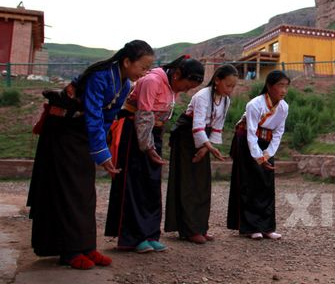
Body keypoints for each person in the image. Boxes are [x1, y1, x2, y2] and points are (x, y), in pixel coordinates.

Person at [27, 40, 155, 270]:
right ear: (127, 61)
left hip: (83, 135)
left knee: (86, 191)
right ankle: (69, 251)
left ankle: (86, 246)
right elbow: (93, 115)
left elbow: (108, 119)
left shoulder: (125, 85)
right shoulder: (101, 75)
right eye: (143, 67)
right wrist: (101, 153)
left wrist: (103, 150)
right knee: (70, 190)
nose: (145, 73)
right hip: (64, 132)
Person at [105, 56, 205, 253]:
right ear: (177, 74)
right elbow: (143, 116)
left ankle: (150, 234)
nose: (185, 90)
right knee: (135, 186)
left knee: (151, 185)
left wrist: (156, 144)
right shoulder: (152, 81)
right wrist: (149, 148)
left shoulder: (171, 85)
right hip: (134, 134)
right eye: (186, 85)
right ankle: (133, 238)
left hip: (152, 135)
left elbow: (161, 117)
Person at [165, 64, 238, 243]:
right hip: (185, 136)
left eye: (233, 86)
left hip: (202, 140)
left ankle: (200, 227)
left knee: (202, 183)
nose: (231, 89)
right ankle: (188, 229)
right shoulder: (202, 96)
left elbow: (217, 127)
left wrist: (206, 148)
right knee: (188, 182)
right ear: (217, 80)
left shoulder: (226, 101)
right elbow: (197, 124)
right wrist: (209, 147)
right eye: (228, 85)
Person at [227, 70, 290, 240]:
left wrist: (268, 155)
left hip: (267, 143)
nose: (284, 90)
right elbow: (251, 133)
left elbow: (279, 132)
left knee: (266, 183)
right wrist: (258, 157)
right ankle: (251, 227)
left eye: (286, 86)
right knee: (250, 182)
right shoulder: (254, 105)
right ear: (269, 86)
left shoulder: (284, 107)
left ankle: (267, 227)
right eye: (280, 86)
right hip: (248, 142)